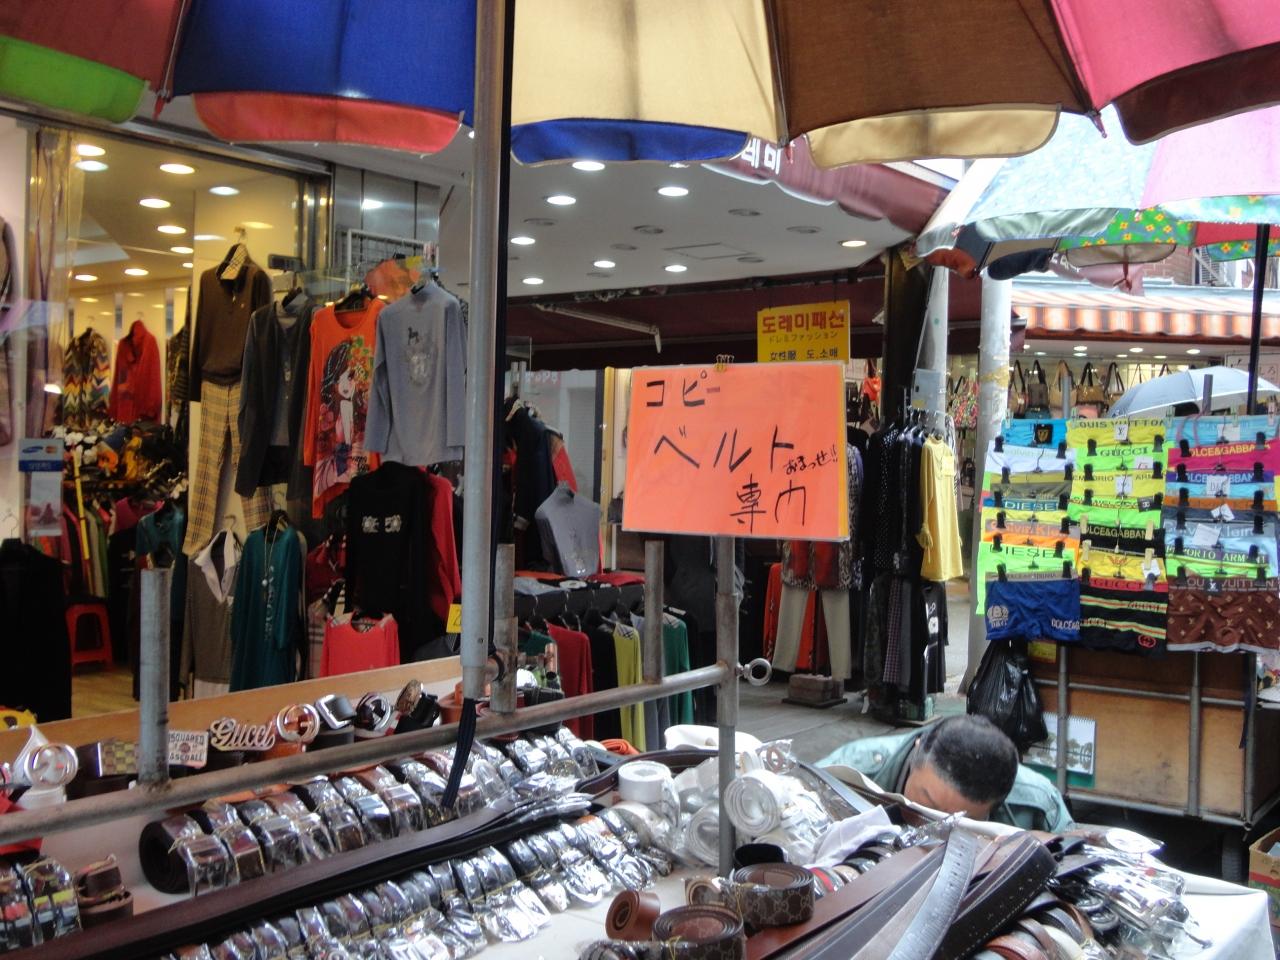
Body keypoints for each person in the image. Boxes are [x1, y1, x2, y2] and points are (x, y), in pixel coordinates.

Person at [819, 715, 1073, 833]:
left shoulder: (1039, 804)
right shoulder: (844, 774)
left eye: (963, 824)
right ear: (917, 751)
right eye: (926, 809)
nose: (937, 830)